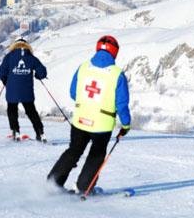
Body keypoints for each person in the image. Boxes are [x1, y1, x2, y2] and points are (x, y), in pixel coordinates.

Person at [47, 35, 131, 194]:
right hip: (102, 124)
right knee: (96, 156)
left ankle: (53, 182)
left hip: (79, 120)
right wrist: (126, 124)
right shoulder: (117, 74)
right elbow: (122, 105)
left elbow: (73, 93)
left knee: (74, 150)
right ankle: (84, 187)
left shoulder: (83, 67)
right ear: (115, 52)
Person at [0, 37, 47, 142]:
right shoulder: (31, 57)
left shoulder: (9, 57)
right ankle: (40, 132)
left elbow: (2, 72)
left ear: (14, 46)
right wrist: (37, 76)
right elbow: (42, 72)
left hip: (12, 90)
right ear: (27, 46)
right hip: (27, 91)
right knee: (31, 111)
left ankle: (15, 131)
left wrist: (5, 81)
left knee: (12, 110)